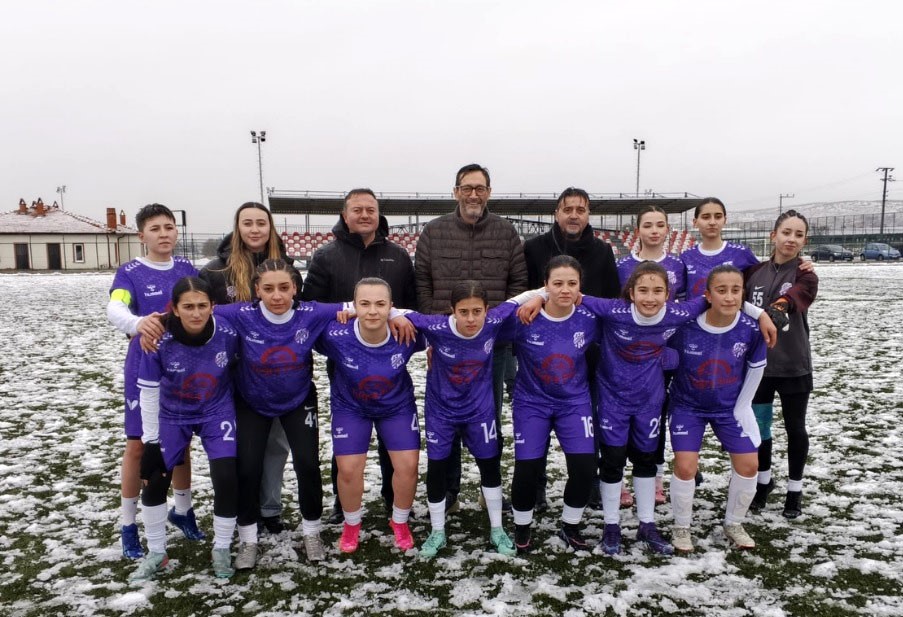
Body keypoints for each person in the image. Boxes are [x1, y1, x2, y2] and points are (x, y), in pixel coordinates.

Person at [576, 262, 774, 556]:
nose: (650, 297)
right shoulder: (613, 310)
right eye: (643, 290)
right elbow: (571, 296)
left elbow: (723, 297)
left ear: (668, 295)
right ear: (631, 293)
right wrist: (536, 298)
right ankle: (612, 526)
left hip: (651, 402)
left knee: (646, 461)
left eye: (658, 291)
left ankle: (648, 525)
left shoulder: (678, 315)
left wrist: (760, 313)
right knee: (613, 462)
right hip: (615, 402)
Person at [214, 259, 348, 567]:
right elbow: (196, 311)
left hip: (298, 400)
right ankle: (248, 539)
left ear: (295, 288)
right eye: (269, 288)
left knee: (307, 465)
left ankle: (312, 532)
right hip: (252, 401)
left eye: (284, 288)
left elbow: (364, 305)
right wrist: (146, 325)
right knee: (248, 468)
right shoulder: (240, 313)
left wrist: (397, 317)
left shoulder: (311, 311)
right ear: (257, 290)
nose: (277, 295)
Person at [396, 281, 539, 559]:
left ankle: (497, 529)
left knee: (490, 465)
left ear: (487, 310)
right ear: (452, 310)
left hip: (479, 410)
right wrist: (395, 315)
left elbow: (524, 296)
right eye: (463, 312)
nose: (471, 319)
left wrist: (541, 297)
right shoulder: (436, 326)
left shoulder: (494, 321)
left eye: (477, 311)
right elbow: (395, 310)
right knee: (437, 469)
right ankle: (437, 532)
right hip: (441, 411)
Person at [414, 163, 528, 512]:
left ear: (488, 193)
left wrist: (496, 328)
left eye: (480, 188)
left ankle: (488, 487)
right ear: (456, 192)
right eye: (467, 188)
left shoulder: (506, 232)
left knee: (489, 418)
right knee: (445, 419)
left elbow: (518, 284)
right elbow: (422, 284)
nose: (473, 194)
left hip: (492, 347)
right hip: (446, 347)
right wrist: (436, 335)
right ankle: (448, 492)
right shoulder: (433, 232)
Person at [301, 188, 417, 525]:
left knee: (392, 434)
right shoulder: (326, 256)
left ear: (378, 214)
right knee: (349, 432)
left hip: (388, 355)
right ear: (345, 215)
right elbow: (311, 307)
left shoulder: (397, 255)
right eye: (357, 209)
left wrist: (396, 314)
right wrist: (342, 313)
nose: (364, 215)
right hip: (345, 358)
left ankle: (393, 499)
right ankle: (344, 504)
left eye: (370, 209)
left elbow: (411, 303)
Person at [107, 203, 202, 560]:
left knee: (181, 442)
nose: (164, 234)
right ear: (141, 235)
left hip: (183, 368)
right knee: (137, 446)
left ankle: (183, 510)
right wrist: (137, 323)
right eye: (155, 228)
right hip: (144, 367)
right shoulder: (130, 272)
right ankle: (128, 525)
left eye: (169, 227)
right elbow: (115, 307)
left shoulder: (187, 269)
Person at [130, 277, 240, 582]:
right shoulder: (157, 338)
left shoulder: (227, 331)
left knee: (227, 477)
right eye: (188, 306)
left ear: (212, 306)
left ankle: (221, 548)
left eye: (202, 305)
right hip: (172, 414)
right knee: (154, 478)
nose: (196, 313)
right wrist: (151, 441)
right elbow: (148, 391)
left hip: (216, 411)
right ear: (175, 309)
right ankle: (157, 553)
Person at [200, 202, 297, 533]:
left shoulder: (288, 268)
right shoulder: (215, 272)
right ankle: (242, 510)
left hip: (278, 373)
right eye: (248, 223)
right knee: (240, 449)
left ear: (270, 228)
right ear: (237, 228)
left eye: (261, 223)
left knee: (276, 446)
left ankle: (270, 509)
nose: (255, 229)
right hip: (233, 375)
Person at [522, 187, 619, 512]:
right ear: (557, 213)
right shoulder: (535, 248)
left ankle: (587, 486)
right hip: (540, 356)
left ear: (588, 214)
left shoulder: (603, 251)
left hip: (586, 354)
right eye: (568, 209)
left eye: (581, 209)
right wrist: (539, 297)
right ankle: (535, 488)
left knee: (587, 423)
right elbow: (525, 293)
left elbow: (612, 299)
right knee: (536, 428)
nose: (574, 215)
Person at [314, 278, 425, 554]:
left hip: (396, 406)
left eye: (380, 304)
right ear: (354, 306)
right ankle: (352, 525)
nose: (373, 311)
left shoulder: (406, 331)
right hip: (351, 407)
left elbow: (441, 325)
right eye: (364, 304)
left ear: (391, 306)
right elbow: (304, 318)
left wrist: (401, 316)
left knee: (408, 466)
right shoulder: (335, 334)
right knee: (348, 469)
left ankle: (400, 521)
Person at [667, 265, 767, 552]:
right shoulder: (686, 327)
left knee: (750, 465)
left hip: (728, 409)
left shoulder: (751, 330)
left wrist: (742, 408)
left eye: (736, 290)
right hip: (687, 406)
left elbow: (756, 370)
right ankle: (681, 527)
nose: (729, 297)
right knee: (686, 467)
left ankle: (734, 523)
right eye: (721, 291)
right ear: (708, 295)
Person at [509, 256, 600, 553]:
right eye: (557, 283)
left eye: (572, 283)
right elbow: (488, 323)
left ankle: (570, 525)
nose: (565, 289)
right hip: (531, 402)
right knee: (527, 468)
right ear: (545, 285)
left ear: (580, 286)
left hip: (574, 402)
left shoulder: (589, 318)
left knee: (585, 468)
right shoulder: (525, 317)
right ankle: (522, 527)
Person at [745, 210, 818, 519]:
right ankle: (763, 484)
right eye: (786, 232)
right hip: (760, 368)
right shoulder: (754, 272)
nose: (791, 239)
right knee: (760, 428)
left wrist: (779, 306)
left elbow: (797, 295)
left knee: (795, 428)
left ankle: (794, 490)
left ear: (804, 241)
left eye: (798, 235)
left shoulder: (805, 274)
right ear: (773, 235)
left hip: (794, 366)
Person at [616, 205, 687, 507]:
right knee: (621, 418)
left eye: (660, 225)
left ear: (668, 229)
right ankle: (618, 480)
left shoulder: (678, 264)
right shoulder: (622, 265)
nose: (654, 231)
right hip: (627, 355)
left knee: (656, 415)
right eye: (648, 225)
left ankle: (655, 478)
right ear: (638, 231)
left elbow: (683, 306)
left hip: (663, 354)